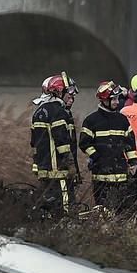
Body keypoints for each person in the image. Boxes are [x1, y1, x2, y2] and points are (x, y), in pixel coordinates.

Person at [79, 81, 137, 212]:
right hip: (101, 176)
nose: (117, 102)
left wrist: (133, 162)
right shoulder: (91, 120)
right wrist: (97, 157)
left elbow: (130, 143)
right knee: (103, 210)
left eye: (117, 98)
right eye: (114, 99)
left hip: (121, 175)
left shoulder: (122, 120)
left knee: (121, 210)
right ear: (104, 100)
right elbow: (84, 143)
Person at [30, 72, 78, 217]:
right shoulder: (58, 112)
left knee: (47, 207)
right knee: (64, 208)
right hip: (59, 172)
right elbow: (62, 140)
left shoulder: (38, 112)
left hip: (45, 170)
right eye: (68, 93)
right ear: (58, 92)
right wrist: (70, 164)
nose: (72, 98)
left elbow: (34, 143)